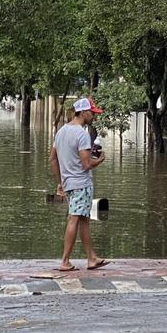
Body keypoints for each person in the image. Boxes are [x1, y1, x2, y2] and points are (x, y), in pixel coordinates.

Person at [51, 97, 110, 272]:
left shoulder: (61, 132)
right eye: (92, 113)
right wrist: (100, 159)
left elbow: (52, 159)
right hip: (81, 184)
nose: (94, 116)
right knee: (74, 219)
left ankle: (91, 258)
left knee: (84, 219)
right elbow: (86, 164)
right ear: (83, 112)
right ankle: (65, 261)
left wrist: (60, 182)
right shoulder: (81, 134)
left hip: (69, 183)